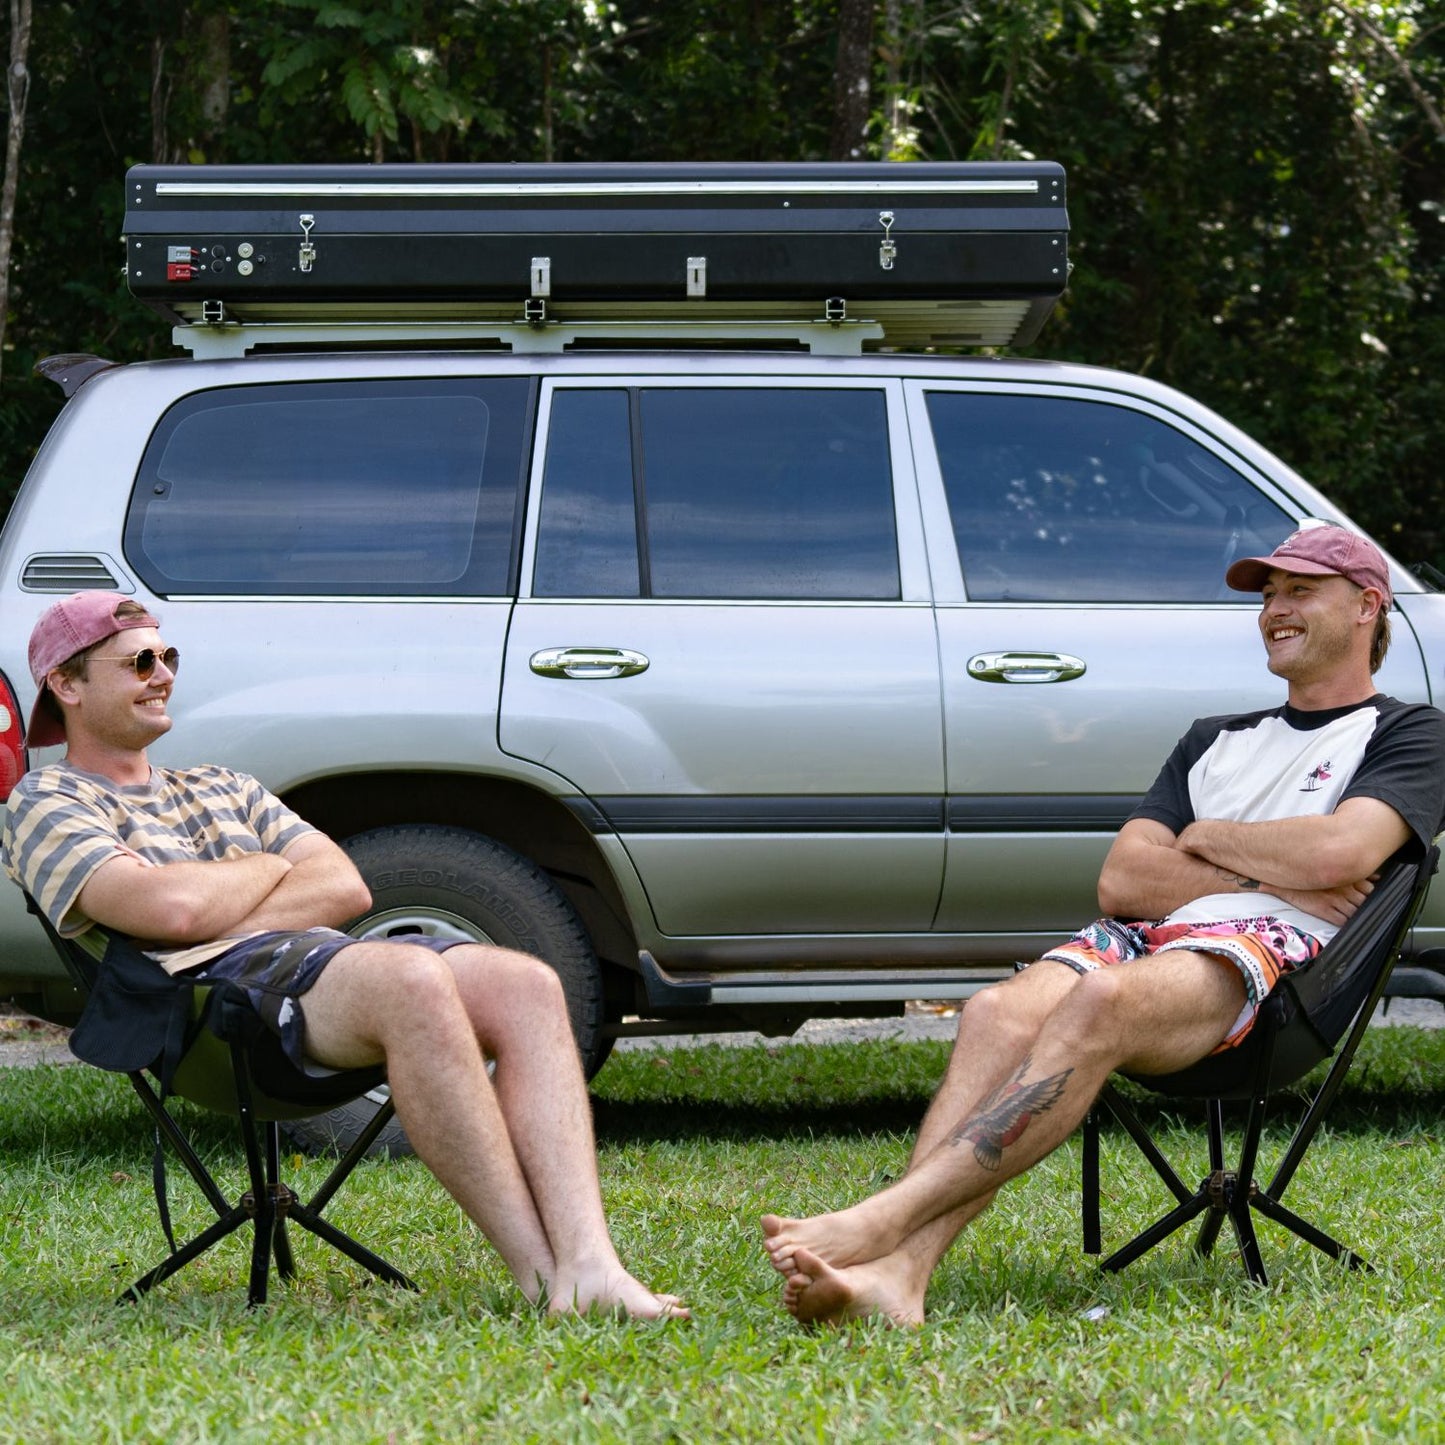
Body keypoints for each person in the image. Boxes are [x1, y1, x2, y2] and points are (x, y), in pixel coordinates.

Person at [762, 524, 1445, 1327]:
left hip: (1276, 969)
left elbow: (1342, 847)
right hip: (1151, 936)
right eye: (1266, 595)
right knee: (994, 1012)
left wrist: (1200, 834)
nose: (1273, 610)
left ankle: (879, 1221)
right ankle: (899, 1275)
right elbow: (1121, 879)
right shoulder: (1214, 739)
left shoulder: (1407, 734)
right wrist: (1261, 863)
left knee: (1098, 1001)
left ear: (1367, 604)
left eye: (1298, 590)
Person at [2, 592, 686, 1320]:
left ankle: (591, 1265)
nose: (162, 674)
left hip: (317, 972)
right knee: (412, 973)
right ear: (67, 686)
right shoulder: (45, 803)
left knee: (527, 982)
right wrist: (266, 868)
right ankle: (539, 1272)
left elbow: (343, 883)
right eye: (138, 661)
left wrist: (221, 901)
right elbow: (169, 912)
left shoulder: (220, 784)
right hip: (212, 1017)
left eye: (168, 658)